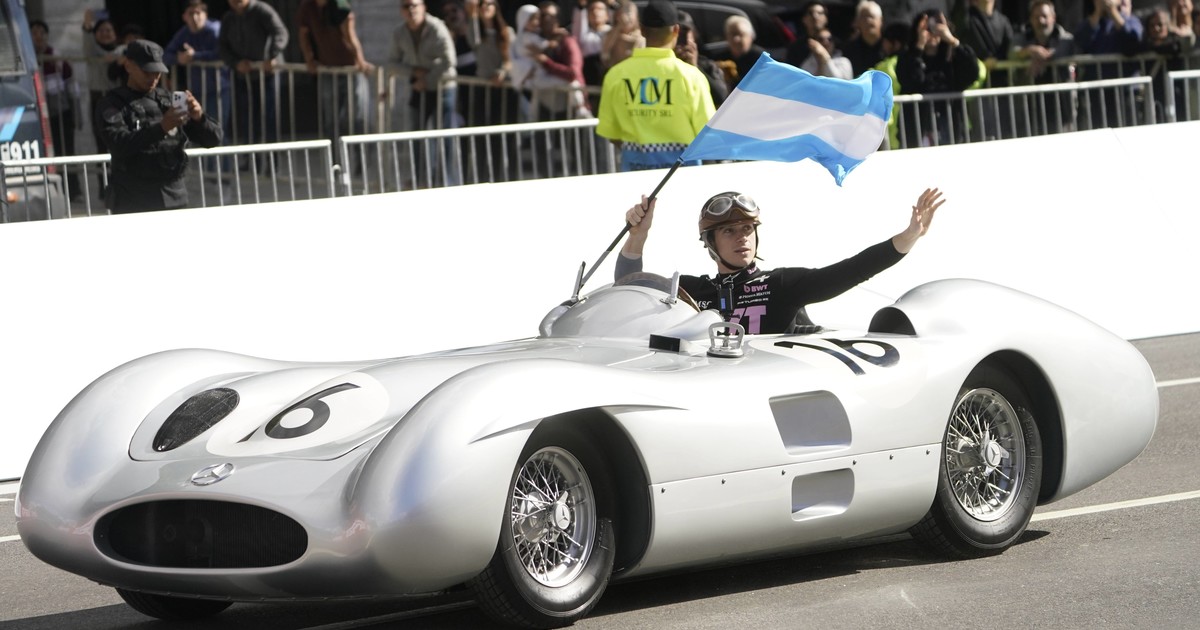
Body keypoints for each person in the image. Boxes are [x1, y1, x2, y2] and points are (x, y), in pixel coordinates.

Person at [615, 188, 946, 335]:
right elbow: (628, 292)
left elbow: (852, 270)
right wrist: (638, 236)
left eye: (747, 229)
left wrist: (907, 237)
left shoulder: (780, 284)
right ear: (710, 243)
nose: (742, 237)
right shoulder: (690, 290)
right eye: (729, 231)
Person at [95, 40, 222, 214]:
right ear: (129, 66)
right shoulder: (112, 104)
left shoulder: (168, 101)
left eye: (157, 72)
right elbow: (118, 143)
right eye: (147, 72)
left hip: (174, 197)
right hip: (134, 199)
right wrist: (161, 128)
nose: (153, 78)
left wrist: (199, 118)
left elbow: (213, 139)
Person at [596, 0, 715, 171]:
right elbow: (707, 132)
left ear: (642, 30)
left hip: (634, 174)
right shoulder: (691, 76)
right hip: (683, 175)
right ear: (676, 30)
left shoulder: (615, 75)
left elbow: (611, 132)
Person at [164, 1, 231, 174]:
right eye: (191, 13)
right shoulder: (184, 32)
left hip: (218, 89)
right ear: (184, 17)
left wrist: (196, 56)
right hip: (198, 91)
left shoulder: (214, 30)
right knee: (201, 131)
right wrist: (179, 58)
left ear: (205, 15)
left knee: (217, 129)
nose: (195, 17)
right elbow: (167, 54)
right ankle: (209, 172)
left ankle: (224, 173)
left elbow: (223, 52)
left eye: (198, 13)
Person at [895, 10, 979, 147]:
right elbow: (911, 81)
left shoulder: (952, 57)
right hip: (917, 129)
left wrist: (952, 41)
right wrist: (919, 47)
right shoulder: (908, 56)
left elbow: (972, 73)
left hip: (950, 127)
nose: (932, 32)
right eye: (927, 28)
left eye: (936, 26)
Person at [296, 0, 374, 145]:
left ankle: (360, 157)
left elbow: (350, 36)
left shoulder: (339, 5)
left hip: (350, 69)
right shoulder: (307, 7)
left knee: (357, 118)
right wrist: (309, 59)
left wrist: (360, 61)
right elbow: (303, 34)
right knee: (331, 120)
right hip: (328, 69)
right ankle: (334, 156)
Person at [218, 0, 289, 145]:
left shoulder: (262, 10)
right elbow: (222, 46)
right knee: (248, 119)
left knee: (270, 118)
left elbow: (280, 33)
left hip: (268, 75)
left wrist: (272, 55)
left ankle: (271, 157)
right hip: (244, 76)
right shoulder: (229, 18)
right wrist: (236, 63)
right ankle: (250, 155)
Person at [30, 20, 81, 199]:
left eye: (41, 32)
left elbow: (72, 87)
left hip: (60, 112)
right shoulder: (27, 58)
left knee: (66, 151)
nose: (38, 36)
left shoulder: (57, 58)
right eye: (34, 32)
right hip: (37, 114)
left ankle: (73, 191)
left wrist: (76, 114)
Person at [1010, 0, 1075, 134]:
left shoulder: (1064, 37)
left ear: (1053, 18)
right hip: (1030, 110)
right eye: (1036, 17)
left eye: (1045, 16)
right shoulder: (1022, 37)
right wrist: (1028, 51)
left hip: (1061, 109)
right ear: (1030, 19)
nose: (1041, 21)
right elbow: (1011, 52)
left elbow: (1066, 49)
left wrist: (1044, 56)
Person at [391, 0, 458, 130]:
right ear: (401, 10)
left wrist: (426, 80)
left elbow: (450, 60)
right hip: (419, 88)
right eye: (406, 6)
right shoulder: (399, 32)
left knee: (444, 133)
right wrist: (413, 72)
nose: (411, 10)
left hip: (442, 86)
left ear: (423, 7)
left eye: (414, 5)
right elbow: (392, 62)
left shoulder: (437, 28)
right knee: (416, 132)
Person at [528, 1, 589, 120]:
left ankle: (580, 108)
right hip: (545, 107)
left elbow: (573, 73)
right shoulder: (535, 41)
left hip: (569, 109)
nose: (546, 19)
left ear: (557, 19)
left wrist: (546, 62)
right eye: (542, 15)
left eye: (550, 15)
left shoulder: (568, 42)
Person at [677, 10, 729, 108]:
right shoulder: (662, 65)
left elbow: (721, 97)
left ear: (694, 35)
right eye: (677, 33)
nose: (681, 38)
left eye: (685, 32)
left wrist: (695, 67)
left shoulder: (707, 66)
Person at [718, 15, 765, 90]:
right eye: (732, 34)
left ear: (750, 36)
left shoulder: (761, 58)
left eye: (740, 34)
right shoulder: (720, 59)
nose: (736, 39)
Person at [842, 0, 885, 77]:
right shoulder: (849, 49)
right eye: (864, 17)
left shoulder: (891, 46)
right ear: (858, 22)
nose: (868, 20)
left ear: (881, 20)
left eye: (871, 16)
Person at [573, 0, 611, 87]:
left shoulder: (612, 33)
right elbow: (578, 24)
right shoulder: (584, 35)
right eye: (591, 9)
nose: (595, 12)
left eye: (600, 9)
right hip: (589, 75)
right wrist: (581, 6)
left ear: (607, 15)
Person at [602, 0, 644, 71]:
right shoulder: (611, 34)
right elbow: (604, 55)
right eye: (623, 13)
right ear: (617, 16)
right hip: (614, 71)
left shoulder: (641, 37)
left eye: (629, 13)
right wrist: (617, 30)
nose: (627, 18)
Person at [786, 1, 829, 68]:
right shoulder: (796, 47)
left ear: (826, 19)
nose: (815, 16)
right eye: (810, 13)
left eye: (820, 13)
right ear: (804, 19)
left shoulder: (836, 44)